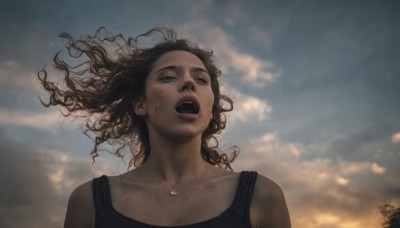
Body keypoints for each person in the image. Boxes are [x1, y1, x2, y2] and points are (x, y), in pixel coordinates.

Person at [38, 27, 291, 228]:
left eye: (201, 80)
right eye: (169, 77)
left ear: (211, 106)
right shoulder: (89, 201)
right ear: (140, 104)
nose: (189, 83)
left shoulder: (262, 195)